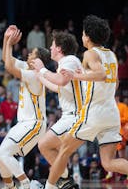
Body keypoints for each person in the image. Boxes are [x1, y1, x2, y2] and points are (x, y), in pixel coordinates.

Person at [39, 15, 128, 189]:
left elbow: (101, 74)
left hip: (94, 113)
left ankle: (50, 186)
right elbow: (115, 82)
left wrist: (76, 75)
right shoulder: (111, 55)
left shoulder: (90, 53)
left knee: (64, 150)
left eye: (83, 33)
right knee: (109, 163)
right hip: (111, 113)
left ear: (87, 36)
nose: (82, 36)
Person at [0, 25, 50, 189]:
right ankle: (11, 186)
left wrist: (10, 44)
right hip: (25, 123)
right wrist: (6, 40)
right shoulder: (27, 67)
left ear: (38, 60)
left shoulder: (35, 75)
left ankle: (26, 184)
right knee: (0, 155)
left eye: (32, 54)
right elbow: (7, 61)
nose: (29, 54)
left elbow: (10, 68)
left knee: (4, 154)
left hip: (34, 123)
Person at [31, 31, 83, 189]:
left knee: (45, 145)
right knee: (53, 148)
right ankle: (64, 179)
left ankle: (63, 179)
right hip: (71, 116)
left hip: (75, 116)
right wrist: (40, 77)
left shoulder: (69, 60)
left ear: (59, 48)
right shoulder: (67, 63)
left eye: (52, 45)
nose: (50, 48)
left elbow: (60, 80)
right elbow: (58, 87)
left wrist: (42, 70)